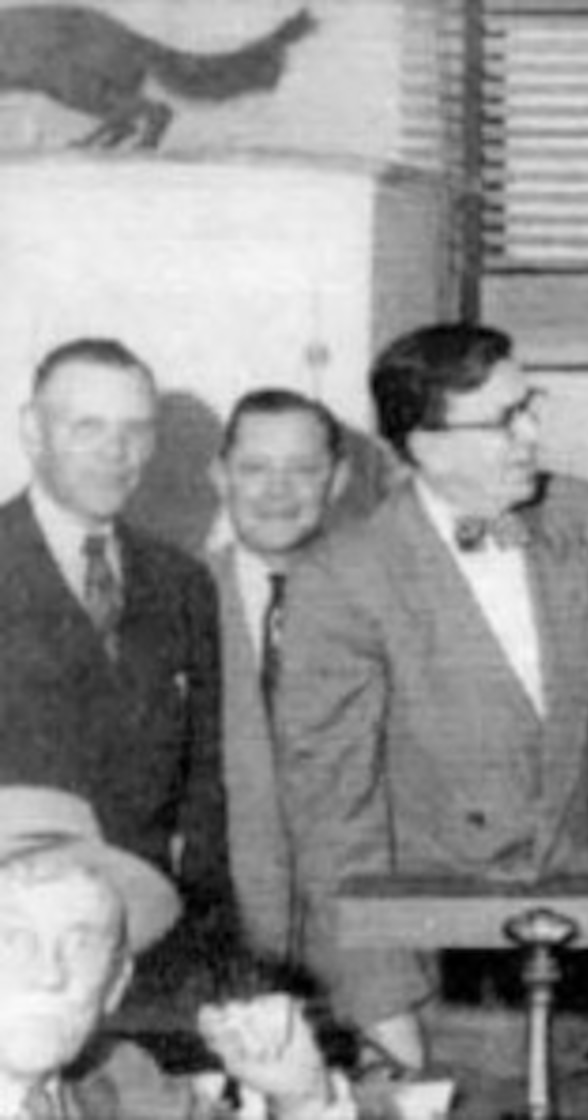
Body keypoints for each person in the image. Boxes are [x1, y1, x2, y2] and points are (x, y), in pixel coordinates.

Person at [274, 324, 588, 1071]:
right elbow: (333, 815)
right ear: (425, 444)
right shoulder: (344, 578)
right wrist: (382, 1005)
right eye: (505, 419)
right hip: (459, 988)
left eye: (530, 405)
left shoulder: (586, 519)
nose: (532, 434)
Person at [0, 337, 226, 1024]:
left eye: (135, 431)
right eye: (87, 427)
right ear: (32, 430)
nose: (115, 451)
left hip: (148, 948)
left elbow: (204, 779)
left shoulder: (180, 581)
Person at [0, 784, 409, 1119]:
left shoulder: (123, 1085)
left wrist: (301, 1099)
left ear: (114, 985)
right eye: (13, 939)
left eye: (81, 944)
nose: (50, 973)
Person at [207, 390, 351, 968]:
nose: (276, 491)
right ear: (221, 477)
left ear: (337, 480)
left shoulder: (379, 599)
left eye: (302, 470)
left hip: (358, 950)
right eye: (254, 469)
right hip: (224, 948)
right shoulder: (173, 600)